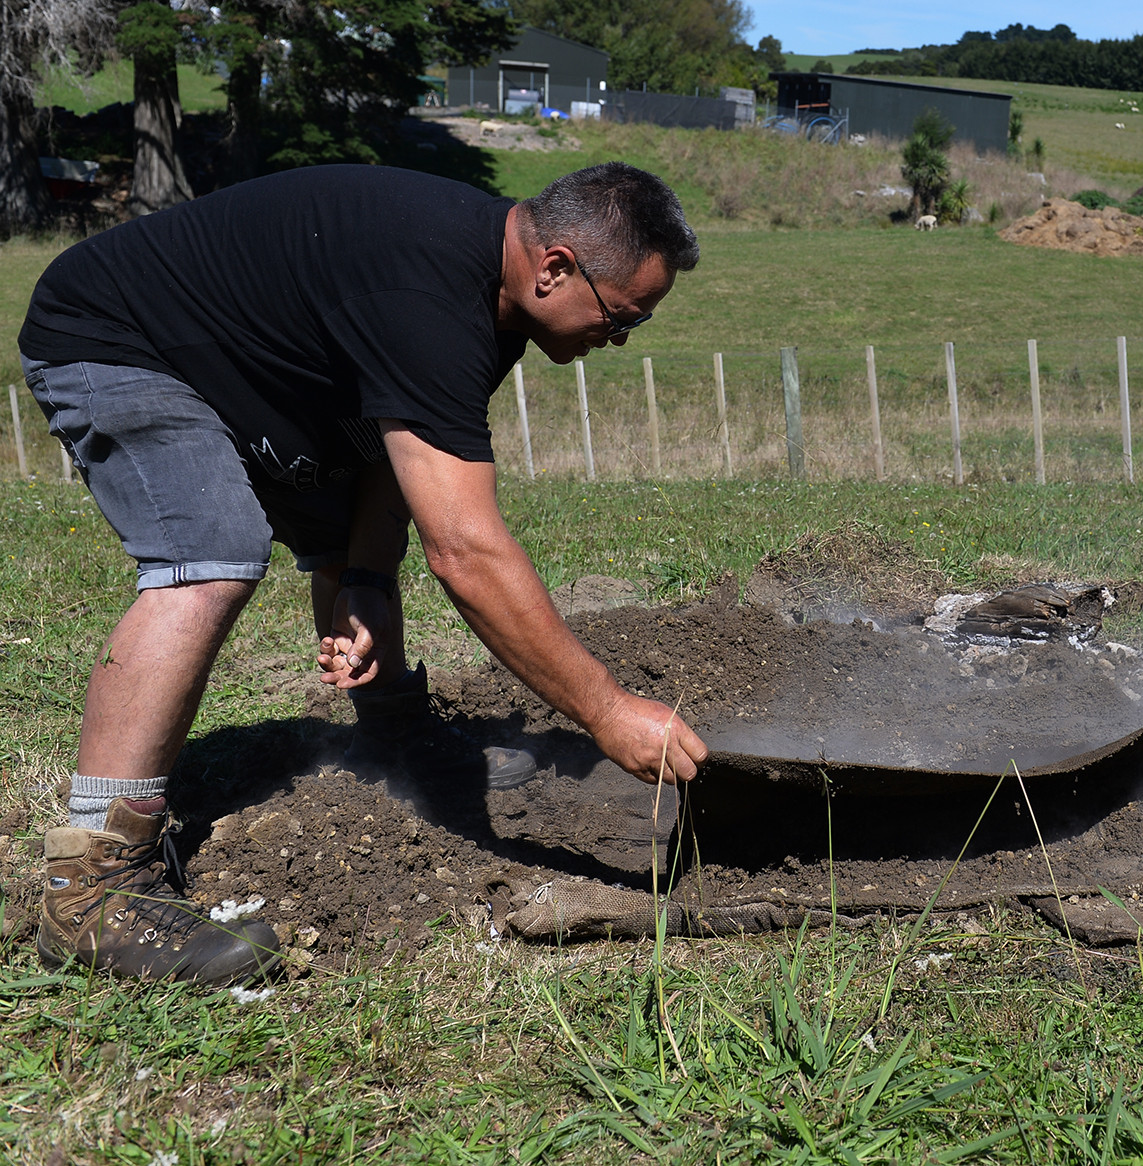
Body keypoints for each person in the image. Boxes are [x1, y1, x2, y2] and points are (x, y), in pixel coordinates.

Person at [20, 161, 710, 985]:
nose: (619, 338)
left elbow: (393, 449)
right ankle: (90, 887)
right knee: (210, 554)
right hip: (118, 338)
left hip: (253, 369)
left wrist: (367, 579)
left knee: (346, 520)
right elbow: (467, 551)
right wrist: (606, 711)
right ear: (555, 267)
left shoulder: (488, 297)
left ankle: (394, 738)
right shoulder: (427, 292)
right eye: (621, 316)